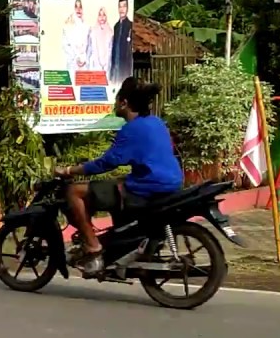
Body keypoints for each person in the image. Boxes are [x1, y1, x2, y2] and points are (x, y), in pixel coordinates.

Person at [52, 78, 183, 275]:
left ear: (123, 103)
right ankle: (118, 244)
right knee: (114, 185)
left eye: (116, 99)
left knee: (74, 191)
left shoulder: (131, 130)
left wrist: (70, 170)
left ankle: (93, 246)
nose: (115, 104)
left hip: (148, 187)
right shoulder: (157, 122)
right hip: (171, 182)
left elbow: (106, 163)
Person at [109, 0, 133, 87]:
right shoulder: (116, 26)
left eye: (124, 6)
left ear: (127, 7)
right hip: (115, 68)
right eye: (120, 6)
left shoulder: (130, 26)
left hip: (125, 69)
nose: (122, 9)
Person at [62, 0, 89, 73]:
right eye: (76, 7)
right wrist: (76, 57)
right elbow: (65, 46)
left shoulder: (86, 27)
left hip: (84, 65)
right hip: (72, 64)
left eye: (80, 7)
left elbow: (88, 46)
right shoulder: (67, 27)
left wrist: (84, 58)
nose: (78, 9)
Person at [87, 6, 113, 73]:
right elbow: (90, 49)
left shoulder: (110, 32)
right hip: (94, 66)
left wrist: (106, 65)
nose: (102, 17)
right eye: (100, 15)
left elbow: (110, 51)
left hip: (107, 66)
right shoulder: (92, 31)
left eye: (104, 15)